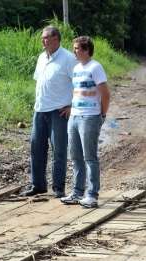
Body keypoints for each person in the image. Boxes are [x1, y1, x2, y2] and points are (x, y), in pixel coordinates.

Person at [21, 26, 77, 198]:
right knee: (36, 148)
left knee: (59, 150)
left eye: (46, 38)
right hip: (40, 110)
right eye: (42, 38)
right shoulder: (41, 58)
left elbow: (80, 83)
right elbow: (40, 81)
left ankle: (58, 188)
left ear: (56, 39)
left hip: (58, 112)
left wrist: (71, 106)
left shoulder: (68, 58)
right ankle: (38, 185)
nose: (42, 41)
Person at [61, 36, 110, 208]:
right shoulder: (76, 68)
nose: (74, 51)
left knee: (90, 157)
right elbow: (76, 91)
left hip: (90, 116)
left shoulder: (95, 67)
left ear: (86, 50)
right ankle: (77, 192)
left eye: (77, 48)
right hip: (74, 116)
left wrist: (102, 114)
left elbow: (105, 93)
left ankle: (92, 194)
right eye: (74, 48)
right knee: (75, 156)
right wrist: (71, 109)